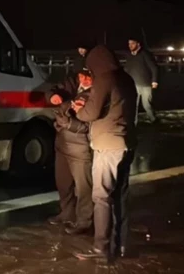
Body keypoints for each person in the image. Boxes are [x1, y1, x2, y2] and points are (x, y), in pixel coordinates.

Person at [71, 45, 137, 262]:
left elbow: (91, 113)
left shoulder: (104, 79)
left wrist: (78, 109)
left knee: (101, 197)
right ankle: (121, 245)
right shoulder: (126, 79)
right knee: (120, 196)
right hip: (127, 143)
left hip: (108, 145)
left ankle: (101, 248)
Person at [47, 69, 93, 236]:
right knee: (63, 182)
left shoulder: (98, 92)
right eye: (82, 76)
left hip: (81, 147)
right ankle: (66, 213)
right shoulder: (71, 84)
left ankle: (84, 221)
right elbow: (53, 91)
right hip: (63, 143)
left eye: (89, 77)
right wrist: (53, 96)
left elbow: (90, 125)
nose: (85, 80)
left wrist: (69, 124)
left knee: (84, 187)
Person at [124, 38, 159, 124]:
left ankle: (153, 119)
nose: (130, 45)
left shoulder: (145, 54)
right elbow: (126, 69)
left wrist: (154, 81)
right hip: (133, 85)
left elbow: (154, 68)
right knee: (133, 105)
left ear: (138, 44)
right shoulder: (129, 56)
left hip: (145, 84)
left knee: (146, 104)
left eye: (132, 43)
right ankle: (134, 122)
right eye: (129, 44)